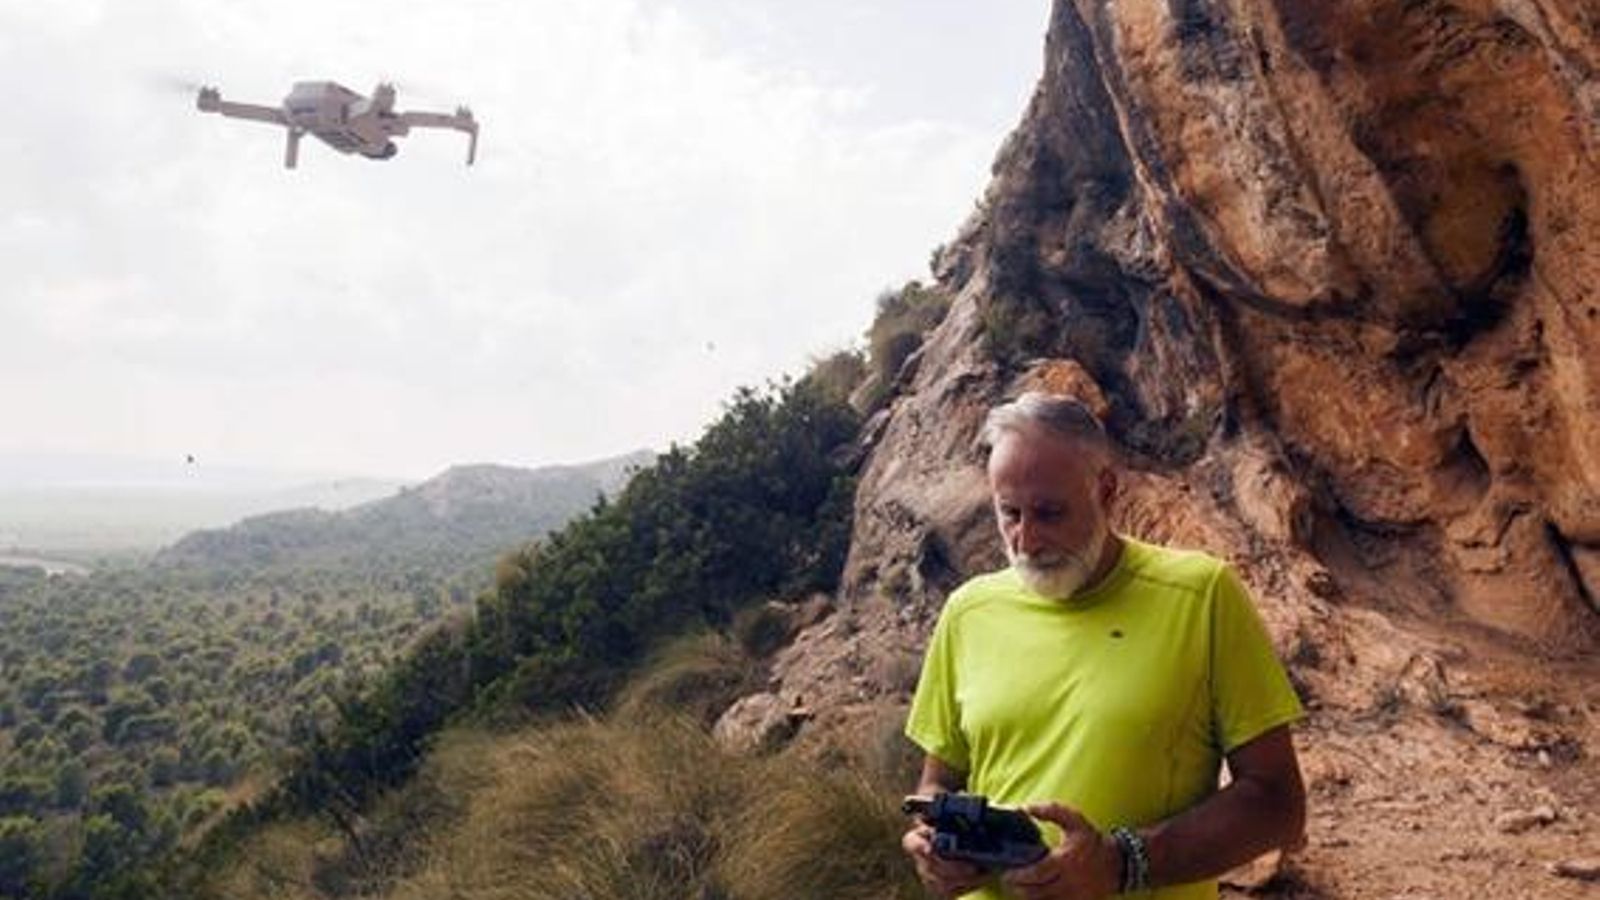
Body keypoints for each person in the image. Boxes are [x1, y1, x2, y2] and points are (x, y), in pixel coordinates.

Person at [901, 393, 1306, 899]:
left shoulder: (1202, 596)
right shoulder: (967, 612)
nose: (1025, 540)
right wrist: (935, 845)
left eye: (1049, 513)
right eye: (1010, 513)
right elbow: (938, 783)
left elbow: (1278, 806)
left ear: (1107, 490)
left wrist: (1120, 863)